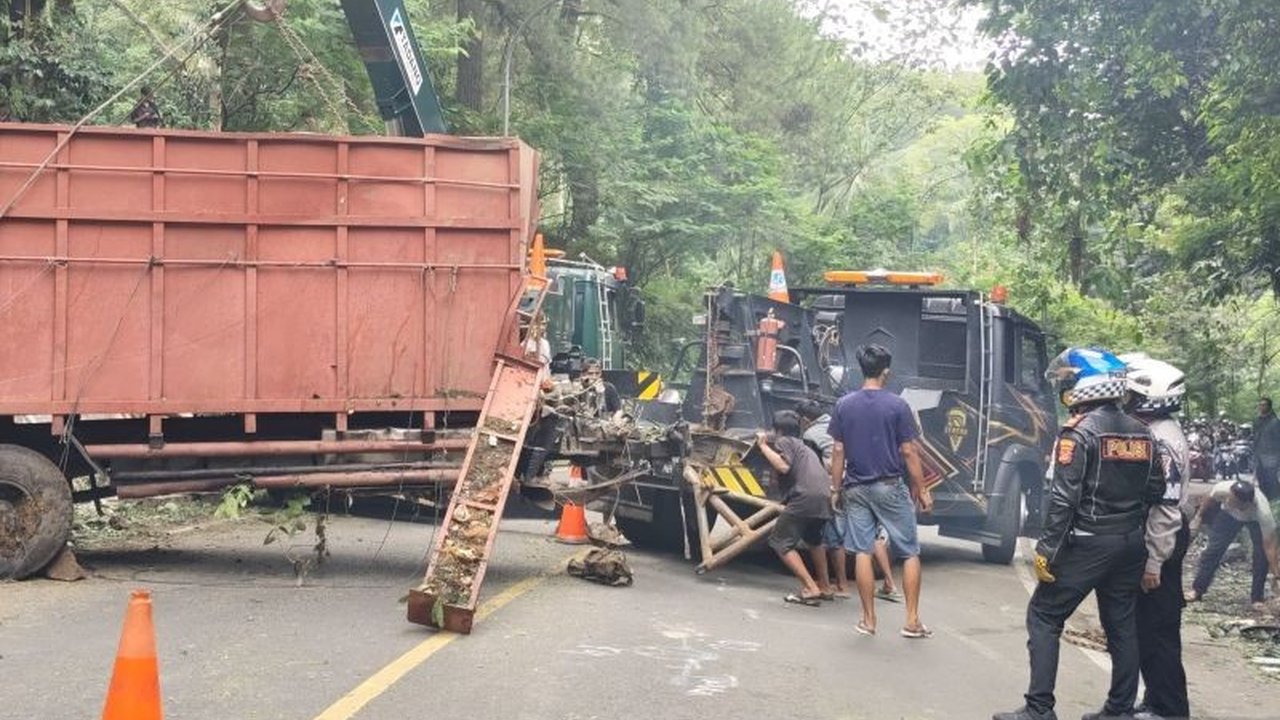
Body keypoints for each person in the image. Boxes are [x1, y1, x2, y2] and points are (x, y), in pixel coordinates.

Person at [994, 348, 1164, 720]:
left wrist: (1047, 550)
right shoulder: (1144, 434)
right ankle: (1119, 710)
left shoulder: (1078, 433)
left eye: (1071, 380)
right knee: (1121, 624)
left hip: (1088, 541)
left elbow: (1064, 498)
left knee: (1043, 615)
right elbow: (1156, 490)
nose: (1066, 386)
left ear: (1088, 385)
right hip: (1130, 542)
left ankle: (1039, 708)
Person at [827, 344, 932, 639]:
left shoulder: (844, 405)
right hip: (889, 486)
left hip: (855, 487)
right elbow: (909, 451)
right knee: (910, 551)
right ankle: (911, 622)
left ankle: (868, 621)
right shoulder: (897, 406)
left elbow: (837, 450)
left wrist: (836, 488)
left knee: (862, 551)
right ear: (886, 371)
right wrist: (921, 489)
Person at [1121, 353, 1191, 720]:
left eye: (1132, 395)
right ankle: (1156, 701)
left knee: (1158, 629)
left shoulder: (1161, 440)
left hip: (1163, 539)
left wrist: (1153, 560)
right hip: (1163, 536)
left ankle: (1168, 708)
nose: (1126, 401)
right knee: (1149, 627)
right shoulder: (1159, 431)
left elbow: (1165, 507)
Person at [796, 399, 899, 602]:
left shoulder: (810, 434)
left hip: (840, 486)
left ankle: (841, 585)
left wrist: (834, 487)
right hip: (866, 481)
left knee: (833, 538)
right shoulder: (845, 425)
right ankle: (890, 584)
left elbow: (813, 465)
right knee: (874, 535)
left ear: (805, 419)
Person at [756, 410, 832, 606]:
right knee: (814, 541)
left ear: (777, 430)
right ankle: (824, 586)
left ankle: (810, 587)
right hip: (823, 496)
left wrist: (763, 446)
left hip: (804, 496)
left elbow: (783, 467)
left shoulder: (784, 442)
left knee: (780, 542)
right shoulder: (805, 447)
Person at [1186, 478, 1280, 611]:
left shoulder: (1263, 513)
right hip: (1228, 516)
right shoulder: (1222, 489)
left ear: (1246, 504)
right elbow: (1209, 499)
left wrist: (1277, 575)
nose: (1229, 501)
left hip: (1254, 521)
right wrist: (1199, 517)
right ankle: (1197, 589)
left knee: (1261, 557)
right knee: (1213, 550)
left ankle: (1257, 598)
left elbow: (1270, 546)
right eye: (1229, 497)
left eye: (1233, 501)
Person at [1255, 397, 1280, 501]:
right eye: (1260, 404)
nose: (1261, 407)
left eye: (1264, 405)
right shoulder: (1258, 421)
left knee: (1271, 481)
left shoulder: (1275, 422)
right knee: (1261, 480)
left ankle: (1275, 503)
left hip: (1271, 456)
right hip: (1259, 455)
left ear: (1269, 406)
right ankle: (1265, 502)